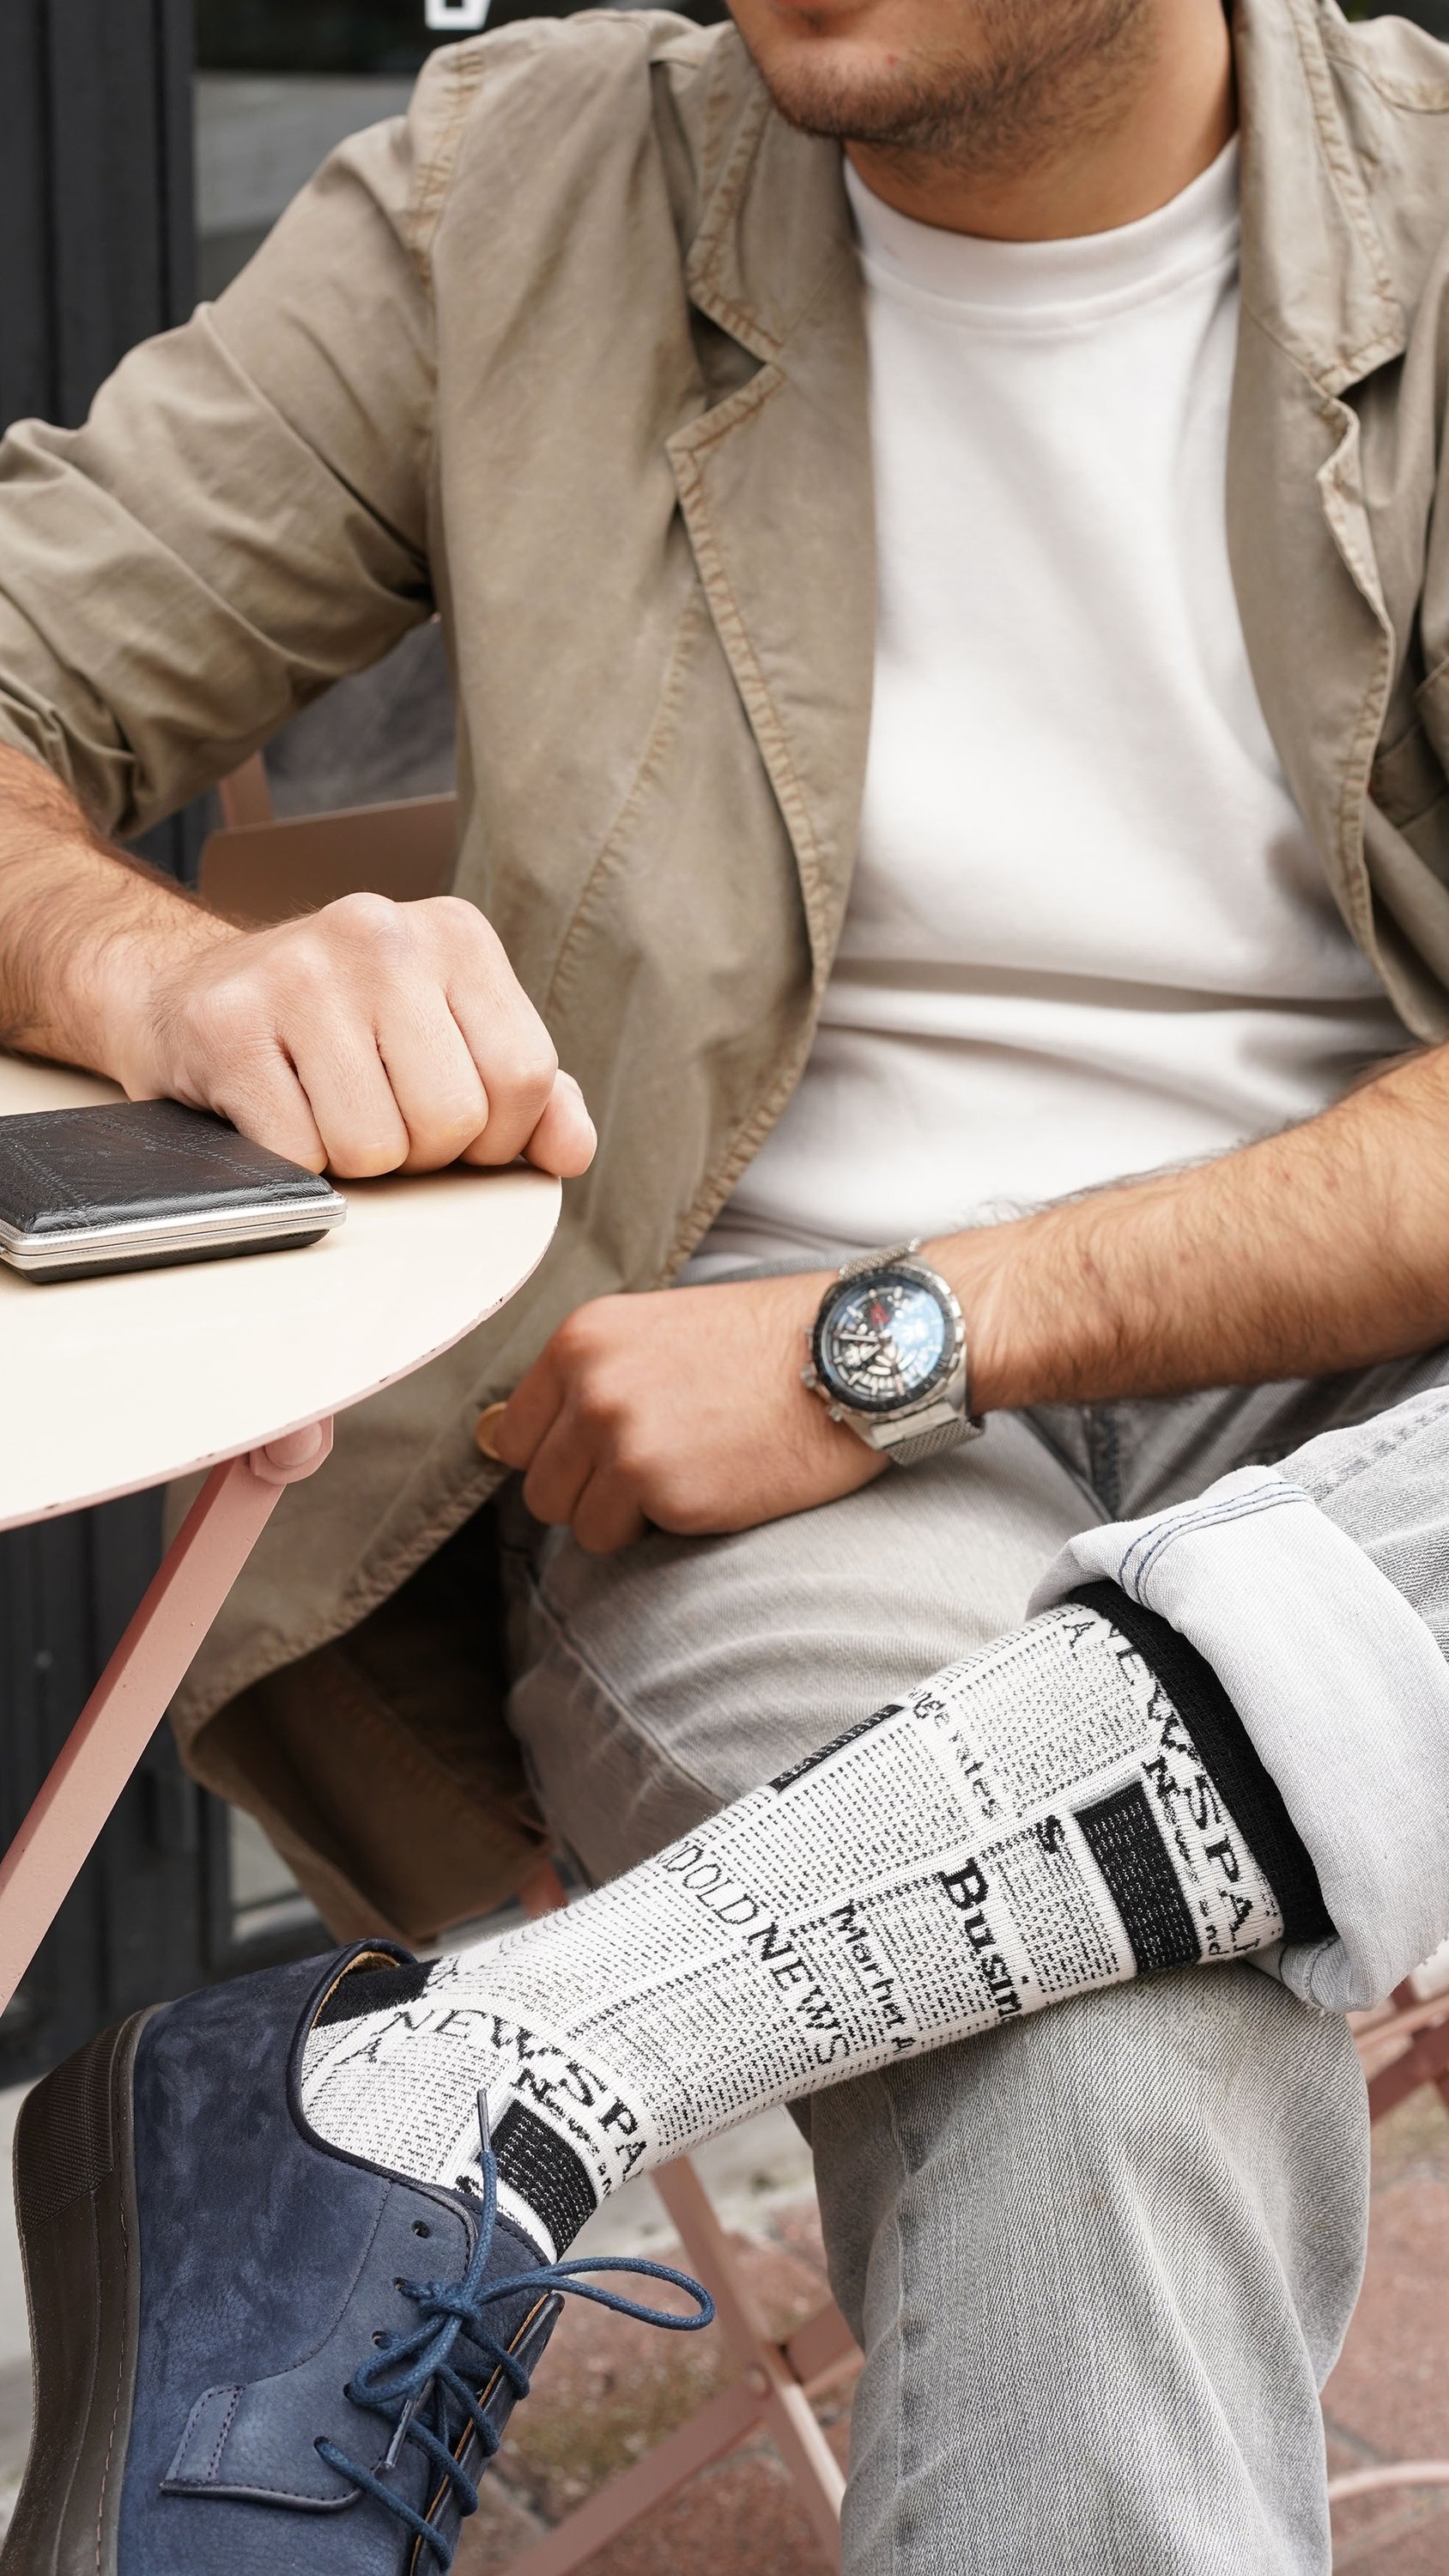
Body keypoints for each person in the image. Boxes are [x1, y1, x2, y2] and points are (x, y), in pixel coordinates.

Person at [3, 0, 1449, 2566]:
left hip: (1350, 1433)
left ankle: (488, 2081)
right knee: (1105, 2041)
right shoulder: (529, 191)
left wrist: (920, 1330)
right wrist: (166, 981)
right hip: (771, 1478)